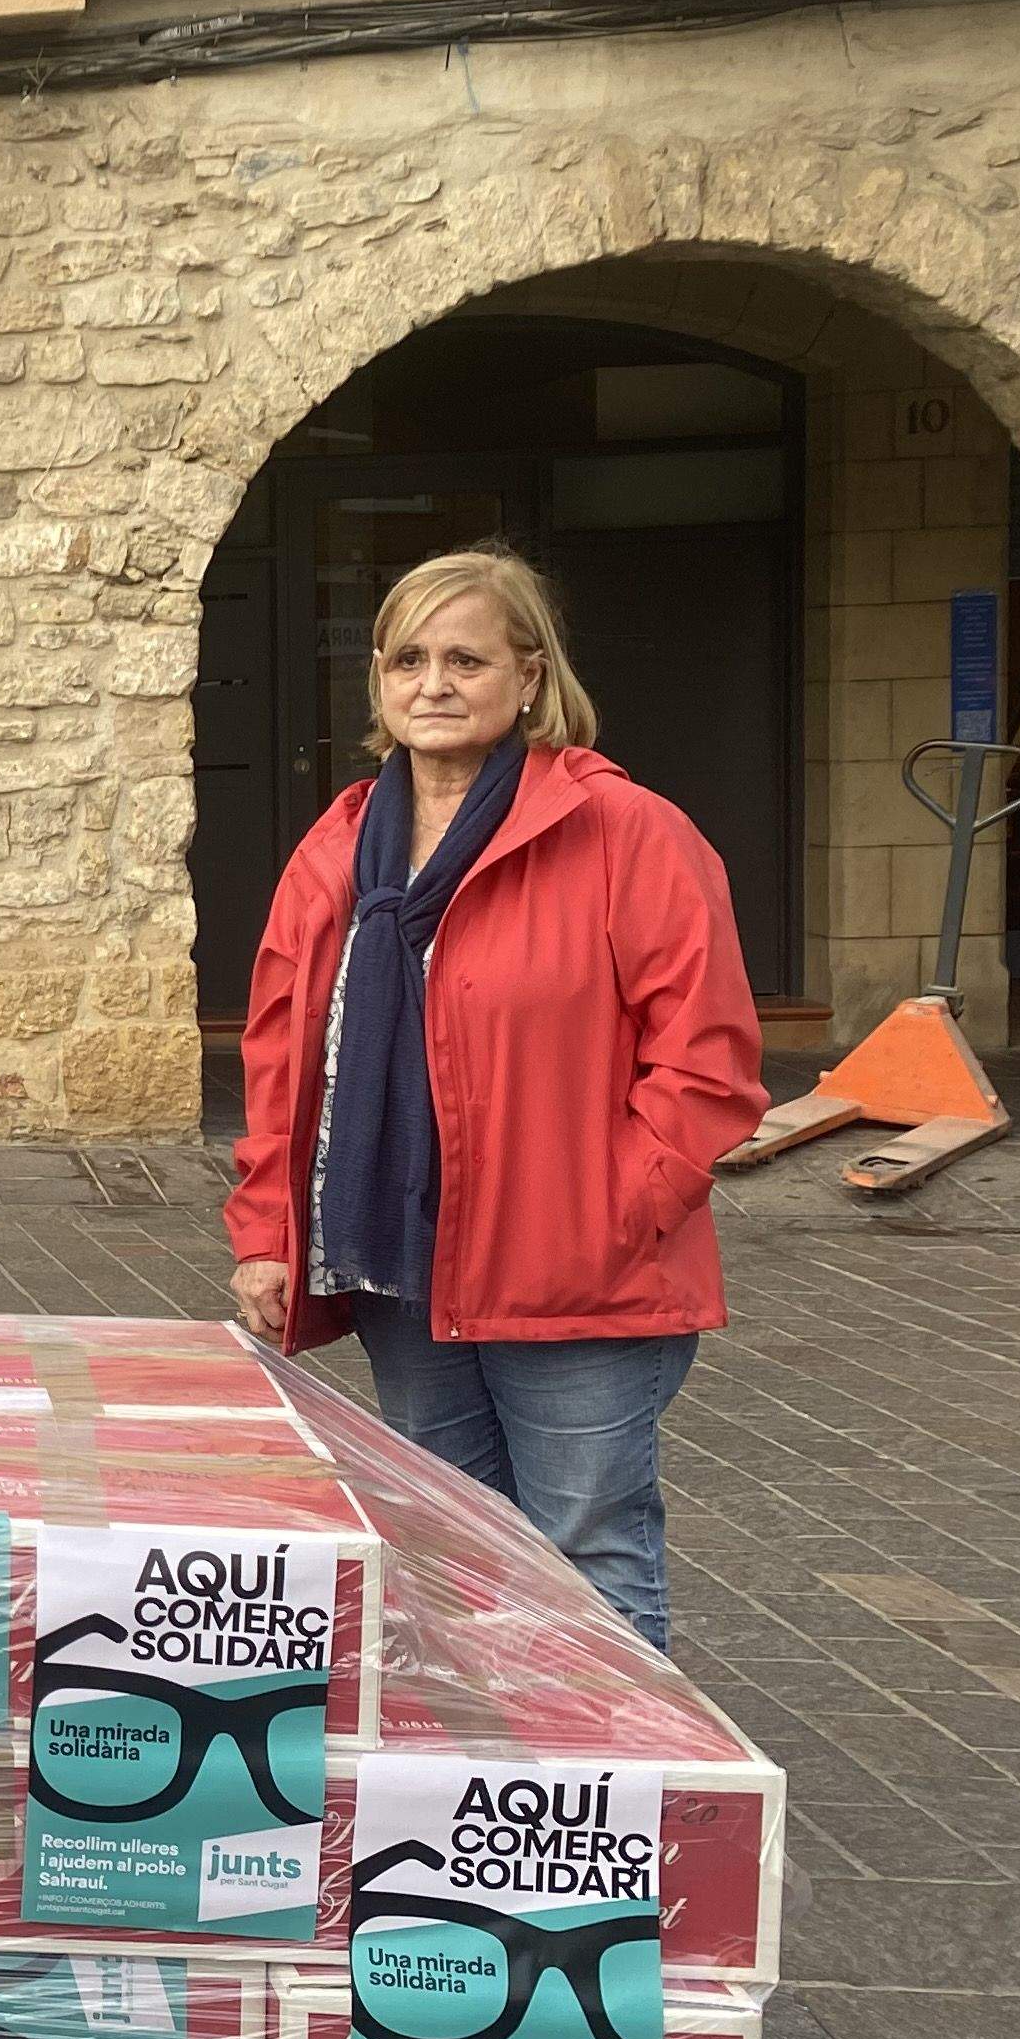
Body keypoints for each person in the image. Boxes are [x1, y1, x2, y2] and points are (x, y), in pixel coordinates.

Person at [225, 547, 765, 1648]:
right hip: (402, 1265)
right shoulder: (336, 850)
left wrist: (617, 1210)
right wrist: (269, 1235)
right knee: (449, 1548)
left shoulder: (623, 834)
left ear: (529, 677)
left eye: (466, 658)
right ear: (378, 679)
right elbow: (287, 1063)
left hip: (577, 1273)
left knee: (586, 1548)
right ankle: (488, 1798)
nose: (434, 682)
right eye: (408, 658)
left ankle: (604, 1804)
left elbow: (708, 1061)